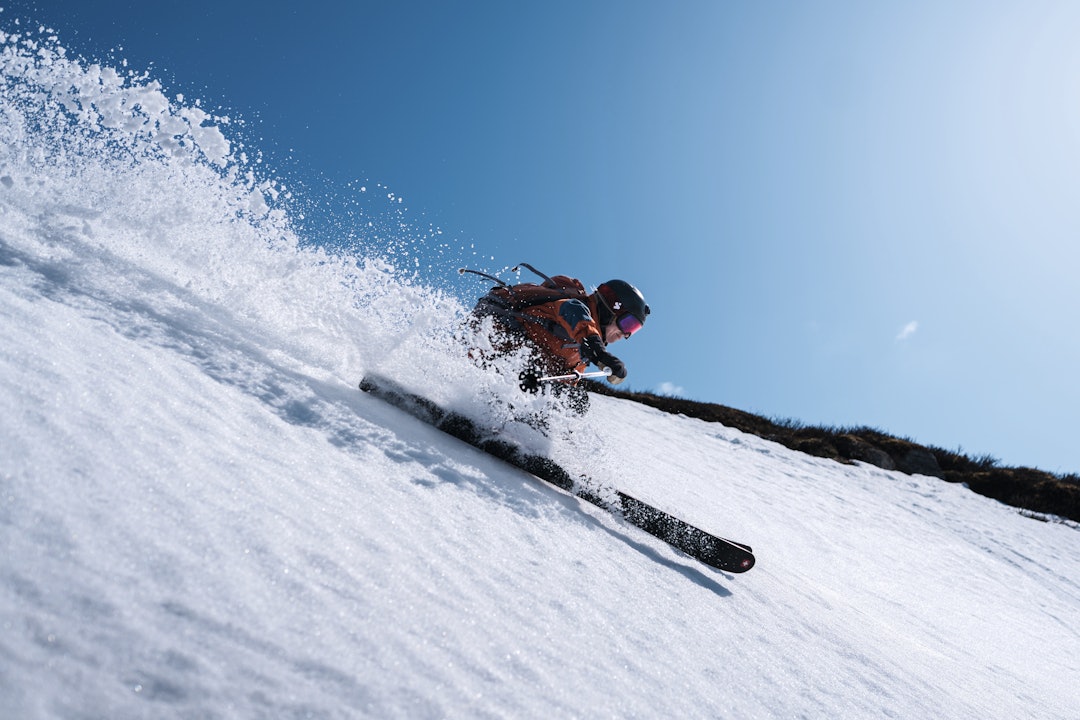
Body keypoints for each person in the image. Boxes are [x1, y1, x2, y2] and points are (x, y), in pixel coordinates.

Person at [471, 270, 650, 400]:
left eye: (633, 330)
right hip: (498, 336)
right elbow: (574, 313)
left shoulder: (578, 353)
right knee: (537, 376)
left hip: (514, 362)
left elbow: (561, 380)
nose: (625, 334)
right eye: (628, 323)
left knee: (572, 399)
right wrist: (598, 352)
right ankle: (488, 411)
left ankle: (525, 436)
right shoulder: (576, 308)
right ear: (611, 309)